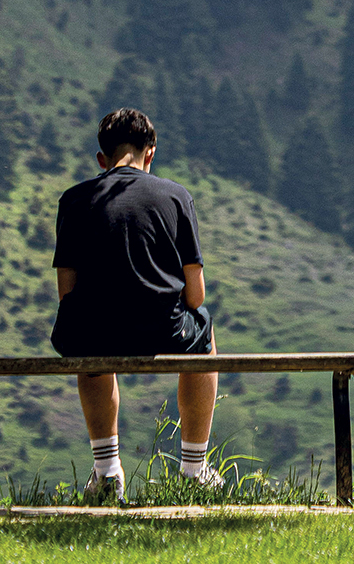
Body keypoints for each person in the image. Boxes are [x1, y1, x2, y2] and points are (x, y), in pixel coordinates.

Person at [51, 107, 222, 503]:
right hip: (162, 327)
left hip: (94, 331)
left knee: (82, 334)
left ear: (101, 160)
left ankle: (108, 472)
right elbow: (196, 297)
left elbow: (67, 295)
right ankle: (194, 470)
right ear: (151, 154)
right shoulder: (176, 197)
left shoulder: (74, 200)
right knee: (204, 330)